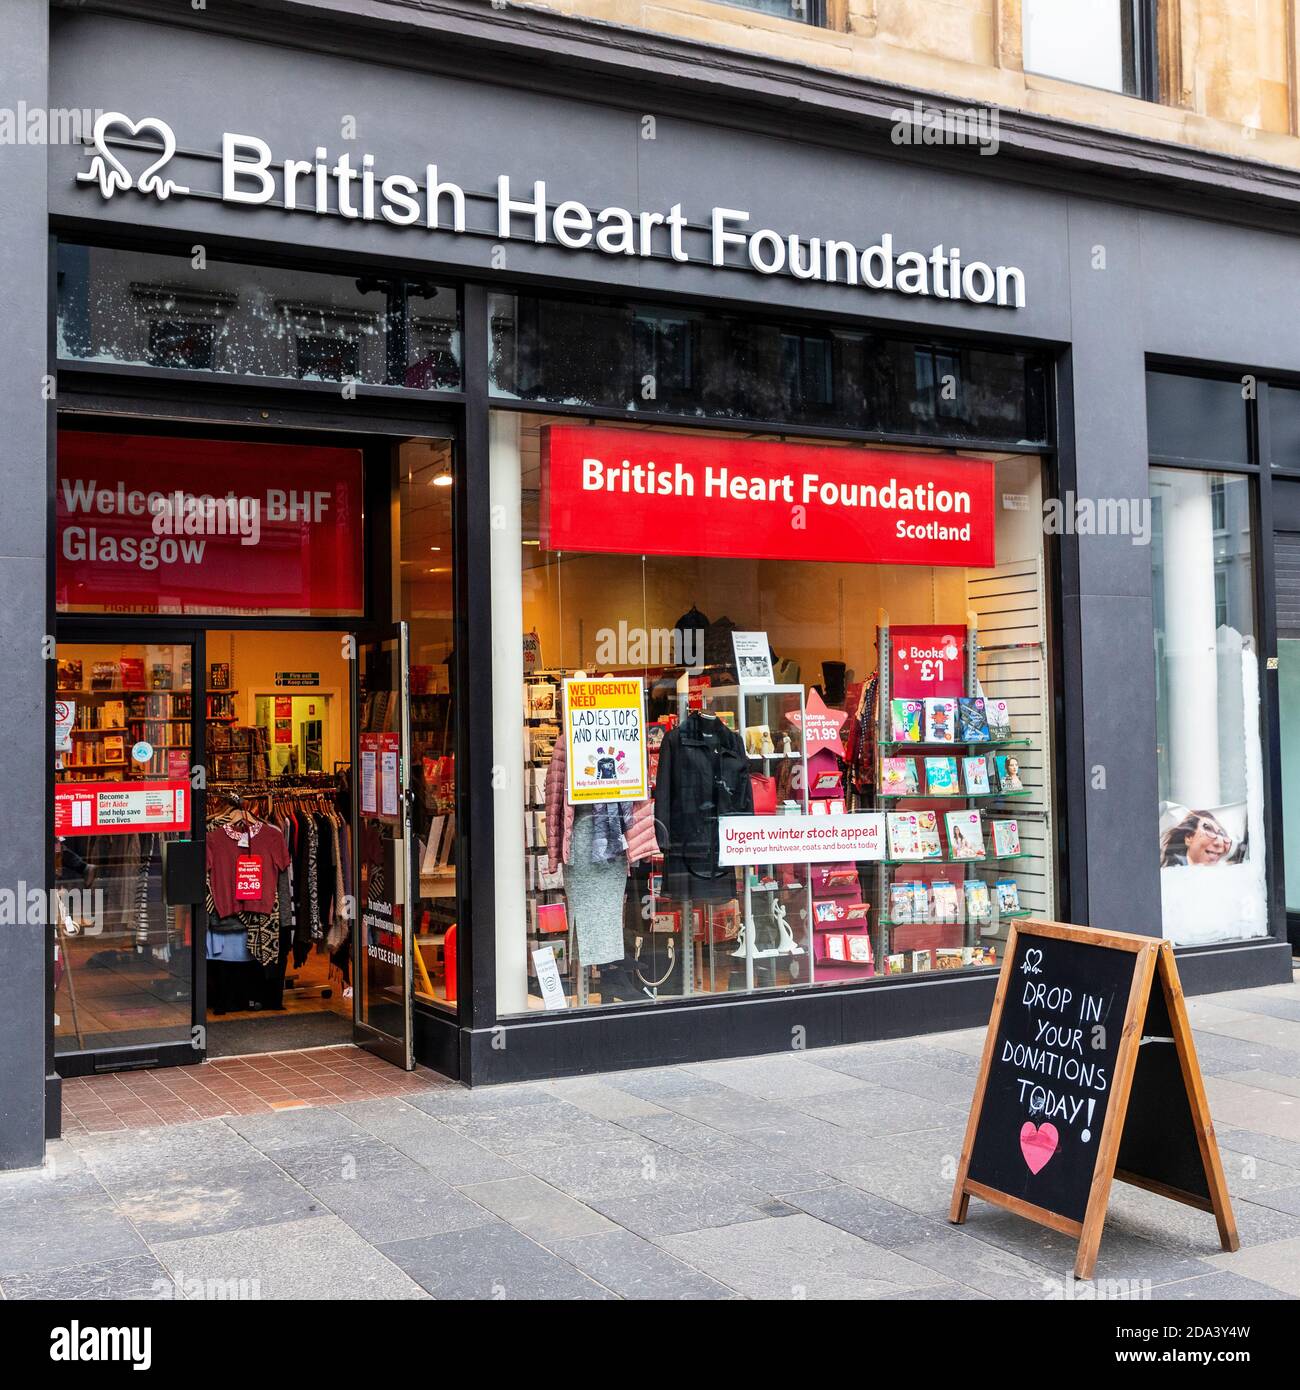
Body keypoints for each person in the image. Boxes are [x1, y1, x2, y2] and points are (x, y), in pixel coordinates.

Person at [1160, 810, 1232, 866]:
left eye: (1221, 834)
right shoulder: (1173, 868)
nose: (1219, 843)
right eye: (1208, 829)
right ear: (1189, 838)